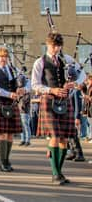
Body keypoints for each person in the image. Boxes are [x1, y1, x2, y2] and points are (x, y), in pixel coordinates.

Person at [31, 32, 84, 185]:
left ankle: (59, 172)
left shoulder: (67, 59)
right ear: (48, 45)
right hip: (49, 101)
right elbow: (34, 85)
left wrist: (74, 85)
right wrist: (51, 90)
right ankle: (55, 174)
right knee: (55, 136)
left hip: (65, 101)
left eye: (59, 46)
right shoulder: (40, 62)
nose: (56, 49)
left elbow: (81, 74)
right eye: (54, 46)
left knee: (64, 139)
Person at [0, 46, 27, 173]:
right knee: (2, 133)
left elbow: (26, 80)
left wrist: (23, 89)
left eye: (5, 57)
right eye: (1, 57)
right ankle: (3, 161)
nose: (3, 59)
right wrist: (9, 94)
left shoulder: (13, 70)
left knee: (10, 134)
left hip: (11, 103)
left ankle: (7, 159)